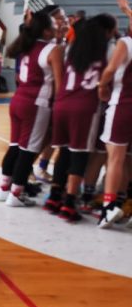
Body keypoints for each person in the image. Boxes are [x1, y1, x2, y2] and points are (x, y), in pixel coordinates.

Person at [44, 14, 116, 222]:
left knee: (64, 151)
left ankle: (55, 196)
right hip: (85, 107)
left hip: (62, 104)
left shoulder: (71, 49)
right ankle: (69, 202)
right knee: (80, 155)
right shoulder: (107, 51)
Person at [0, 10, 63, 208]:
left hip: (18, 100)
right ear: (47, 30)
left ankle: (4, 188)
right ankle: (16, 194)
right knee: (28, 151)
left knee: (15, 146)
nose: (57, 28)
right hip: (36, 104)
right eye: (54, 25)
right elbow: (59, 84)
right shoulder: (53, 49)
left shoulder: (25, 44)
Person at [97, 24, 132, 228]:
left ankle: (108, 207)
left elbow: (110, 69)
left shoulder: (125, 43)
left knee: (115, 159)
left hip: (123, 105)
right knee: (127, 161)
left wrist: (102, 86)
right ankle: (125, 202)